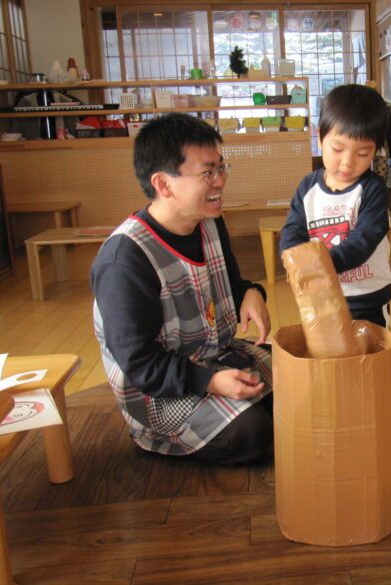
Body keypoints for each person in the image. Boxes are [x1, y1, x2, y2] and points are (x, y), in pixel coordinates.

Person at [91, 113, 273, 466]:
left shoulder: (210, 223)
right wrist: (210, 381)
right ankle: (152, 437)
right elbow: (140, 365)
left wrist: (251, 292)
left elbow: (229, 284)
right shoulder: (124, 259)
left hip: (211, 354)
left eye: (222, 167)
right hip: (160, 387)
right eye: (207, 173)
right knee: (251, 433)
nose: (220, 181)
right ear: (163, 184)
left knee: (301, 383)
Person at [279, 84, 391, 328]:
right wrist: (291, 260)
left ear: (376, 150)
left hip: (367, 297)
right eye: (337, 149)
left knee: (370, 358)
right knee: (329, 357)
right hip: (321, 296)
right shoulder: (308, 187)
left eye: (363, 154)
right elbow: (293, 230)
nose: (347, 162)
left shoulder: (372, 189)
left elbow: (363, 242)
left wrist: (318, 266)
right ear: (320, 138)